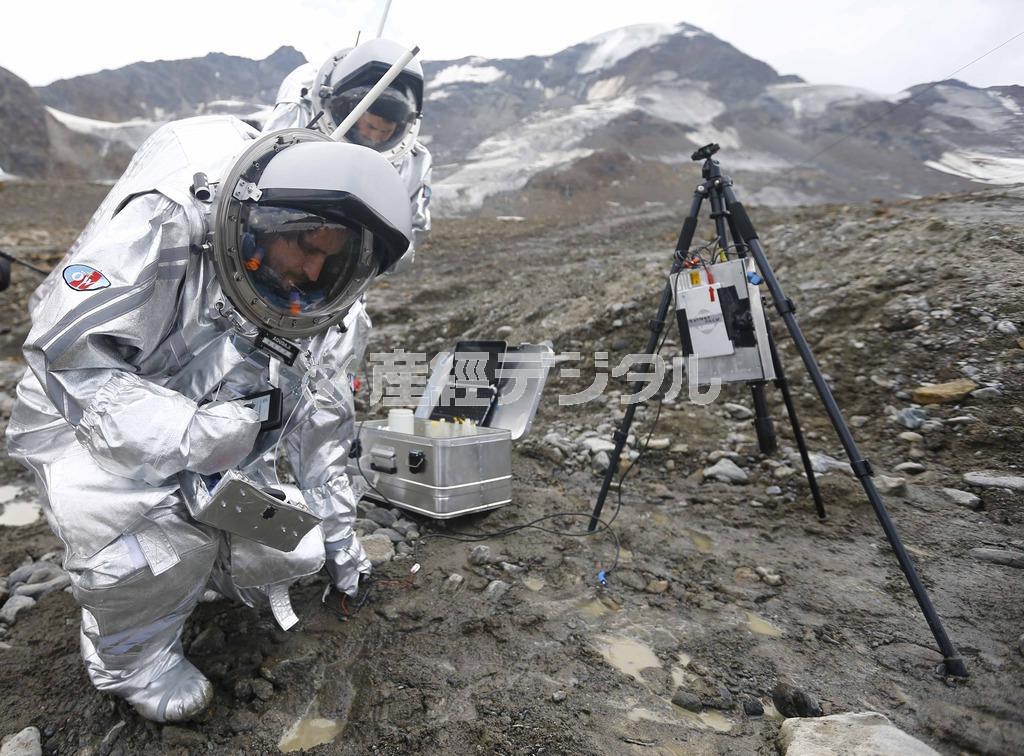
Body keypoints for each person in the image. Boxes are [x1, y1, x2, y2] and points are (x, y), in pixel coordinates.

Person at [5, 114, 412, 723]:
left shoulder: (328, 319)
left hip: (214, 448)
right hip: (84, 424)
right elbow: (67, 358)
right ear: (263, 220)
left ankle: (189, 579)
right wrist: (187, 432)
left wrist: (339, 547)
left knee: (290, 545)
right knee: (147, 539)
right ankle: (127, 658)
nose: (308, 272)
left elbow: (325, 442)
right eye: (303, 244)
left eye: (330, 261)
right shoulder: (170, 222)